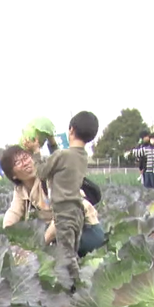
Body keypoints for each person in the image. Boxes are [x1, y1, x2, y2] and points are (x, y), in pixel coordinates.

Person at [0, 144, 106, 258]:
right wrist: (7, 239)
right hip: (62, 235)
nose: (25, 163)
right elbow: (13, 213)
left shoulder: (51, 179)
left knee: (52, 252)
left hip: (87, 231)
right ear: (13, 175)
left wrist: (39, 247)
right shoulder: (21, 190)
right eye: (18, 162)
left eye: (25, 157)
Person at [40, 112, 99, 286]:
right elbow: (60, 158)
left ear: (71, 130)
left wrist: (36, 152)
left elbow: (42, 171)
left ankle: (75, 287)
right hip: (76, 212)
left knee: (67, 255)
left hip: (64, 212)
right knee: (71, 250)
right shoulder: (81, 156)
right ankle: (74, 283)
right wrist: (51, 142)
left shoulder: (64, 155)